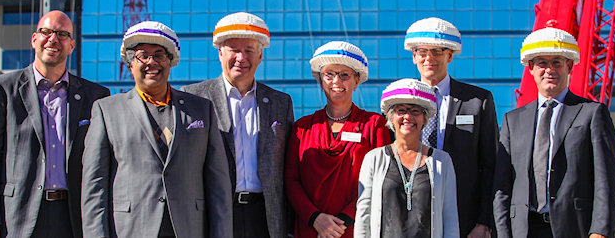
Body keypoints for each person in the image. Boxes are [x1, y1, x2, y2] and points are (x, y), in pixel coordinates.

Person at [81, 21, 232, 237]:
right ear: (130, 64)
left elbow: (218, 184)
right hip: (130, 229)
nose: (152, 62)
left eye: (159, 55)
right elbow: (94, 188)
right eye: (143, 55)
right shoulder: (107, 111)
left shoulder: (200, 109)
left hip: (188, 228)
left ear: (171, 62)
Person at [0, 10, 109, 238]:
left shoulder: (96, 96)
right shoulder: (2, 90)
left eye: (62, 34)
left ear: (71, 45)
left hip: (76, 219)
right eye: (46, 32)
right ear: (34, 39)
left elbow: (104, 164)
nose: (53, 39)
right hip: (17, 218)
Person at [493, 27, 615, 238]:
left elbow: (606, 180)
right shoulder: (512, 121)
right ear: (531, 68)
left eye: (556, 63)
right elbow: (502, 186)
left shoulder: (592, 113)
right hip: (524, 230)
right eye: (542, 63)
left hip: (574, 228)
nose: (549, 70)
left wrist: (600, 231)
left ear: (569, 67)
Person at [181, 12, 294, 238]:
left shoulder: (280, 102)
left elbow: (288, 167)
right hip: (214, 213)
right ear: (220, 53)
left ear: (260, 56)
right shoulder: (193, 97)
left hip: (264, 217)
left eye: (249, 50)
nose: (241, 58)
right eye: (234, 50)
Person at [285, 41, 391, 238]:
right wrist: (315, 218)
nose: (336, 81)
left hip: (357, 228)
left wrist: (343, 220)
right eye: (329, 74)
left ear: (357, 80)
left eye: (345, 75)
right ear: (320, 80)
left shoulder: (375, 124)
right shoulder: (302, 127)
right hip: (311, 229)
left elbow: (381, 179)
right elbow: (291, 180)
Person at [405, 17, 498, 237]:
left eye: (437, 51)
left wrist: (483, 223)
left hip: (463, 220)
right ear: (414, 56)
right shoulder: (399, 104)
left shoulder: (478, 101)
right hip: (410, 219)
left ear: (449, 55)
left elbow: (490, 167)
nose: (429, 58)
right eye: (423, 52)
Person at [356, 78, 459, 238]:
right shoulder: (374, 159)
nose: (407, 116)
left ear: (424, 118)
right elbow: (364, 216)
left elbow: (450, 218)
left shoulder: (442, 161)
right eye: (401, 110)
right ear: (390, 118)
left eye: (415, 111)